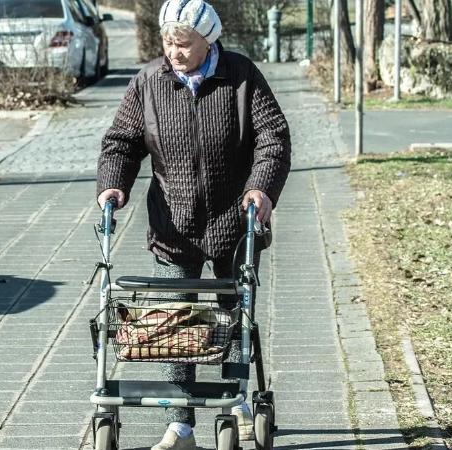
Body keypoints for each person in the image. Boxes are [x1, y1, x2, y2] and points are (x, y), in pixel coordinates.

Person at [96, 0, 291, 448]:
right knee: (175, 326)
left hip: (234, 223)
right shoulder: (149, 81)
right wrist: (113, 185)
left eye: (183, 43)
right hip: (173, 222)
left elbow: (273, 138)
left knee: (232, 318)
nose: (174, 51)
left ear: (209, 40)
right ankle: (180, 425)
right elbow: (121, 143)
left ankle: (236, 402)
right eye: (168, 41)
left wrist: (261, 189)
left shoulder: (241, 76)